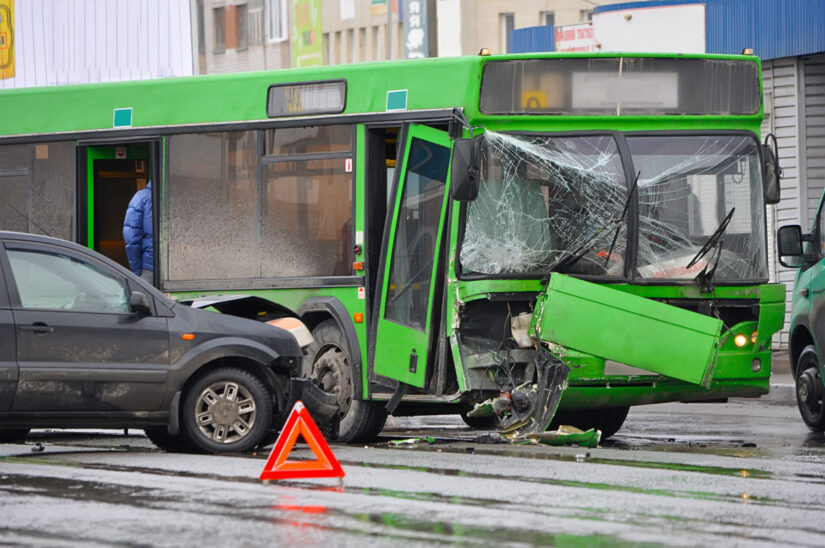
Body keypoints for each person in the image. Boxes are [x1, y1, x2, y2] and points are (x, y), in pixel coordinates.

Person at [123, 180, 153, 283]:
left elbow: (132, 238)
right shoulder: (180, 196)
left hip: (150, 267)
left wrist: (137, 271)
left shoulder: (141, 197)